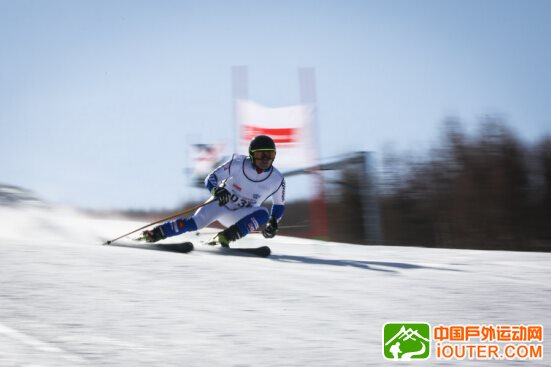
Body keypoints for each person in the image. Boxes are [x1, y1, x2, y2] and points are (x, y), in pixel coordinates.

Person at [141, 135, 286, 247]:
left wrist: (273, 223)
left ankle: (226, 237)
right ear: (252, 155)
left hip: (240, 217)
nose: (266, 160)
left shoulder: (277, 179)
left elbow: (279, 205)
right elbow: (211, 178)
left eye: (270, 155)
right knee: (195, 223)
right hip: (221, 205)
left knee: (264, 214)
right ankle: (156, 234)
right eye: (261, 155)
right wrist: (217, 191)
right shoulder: (238, 164)